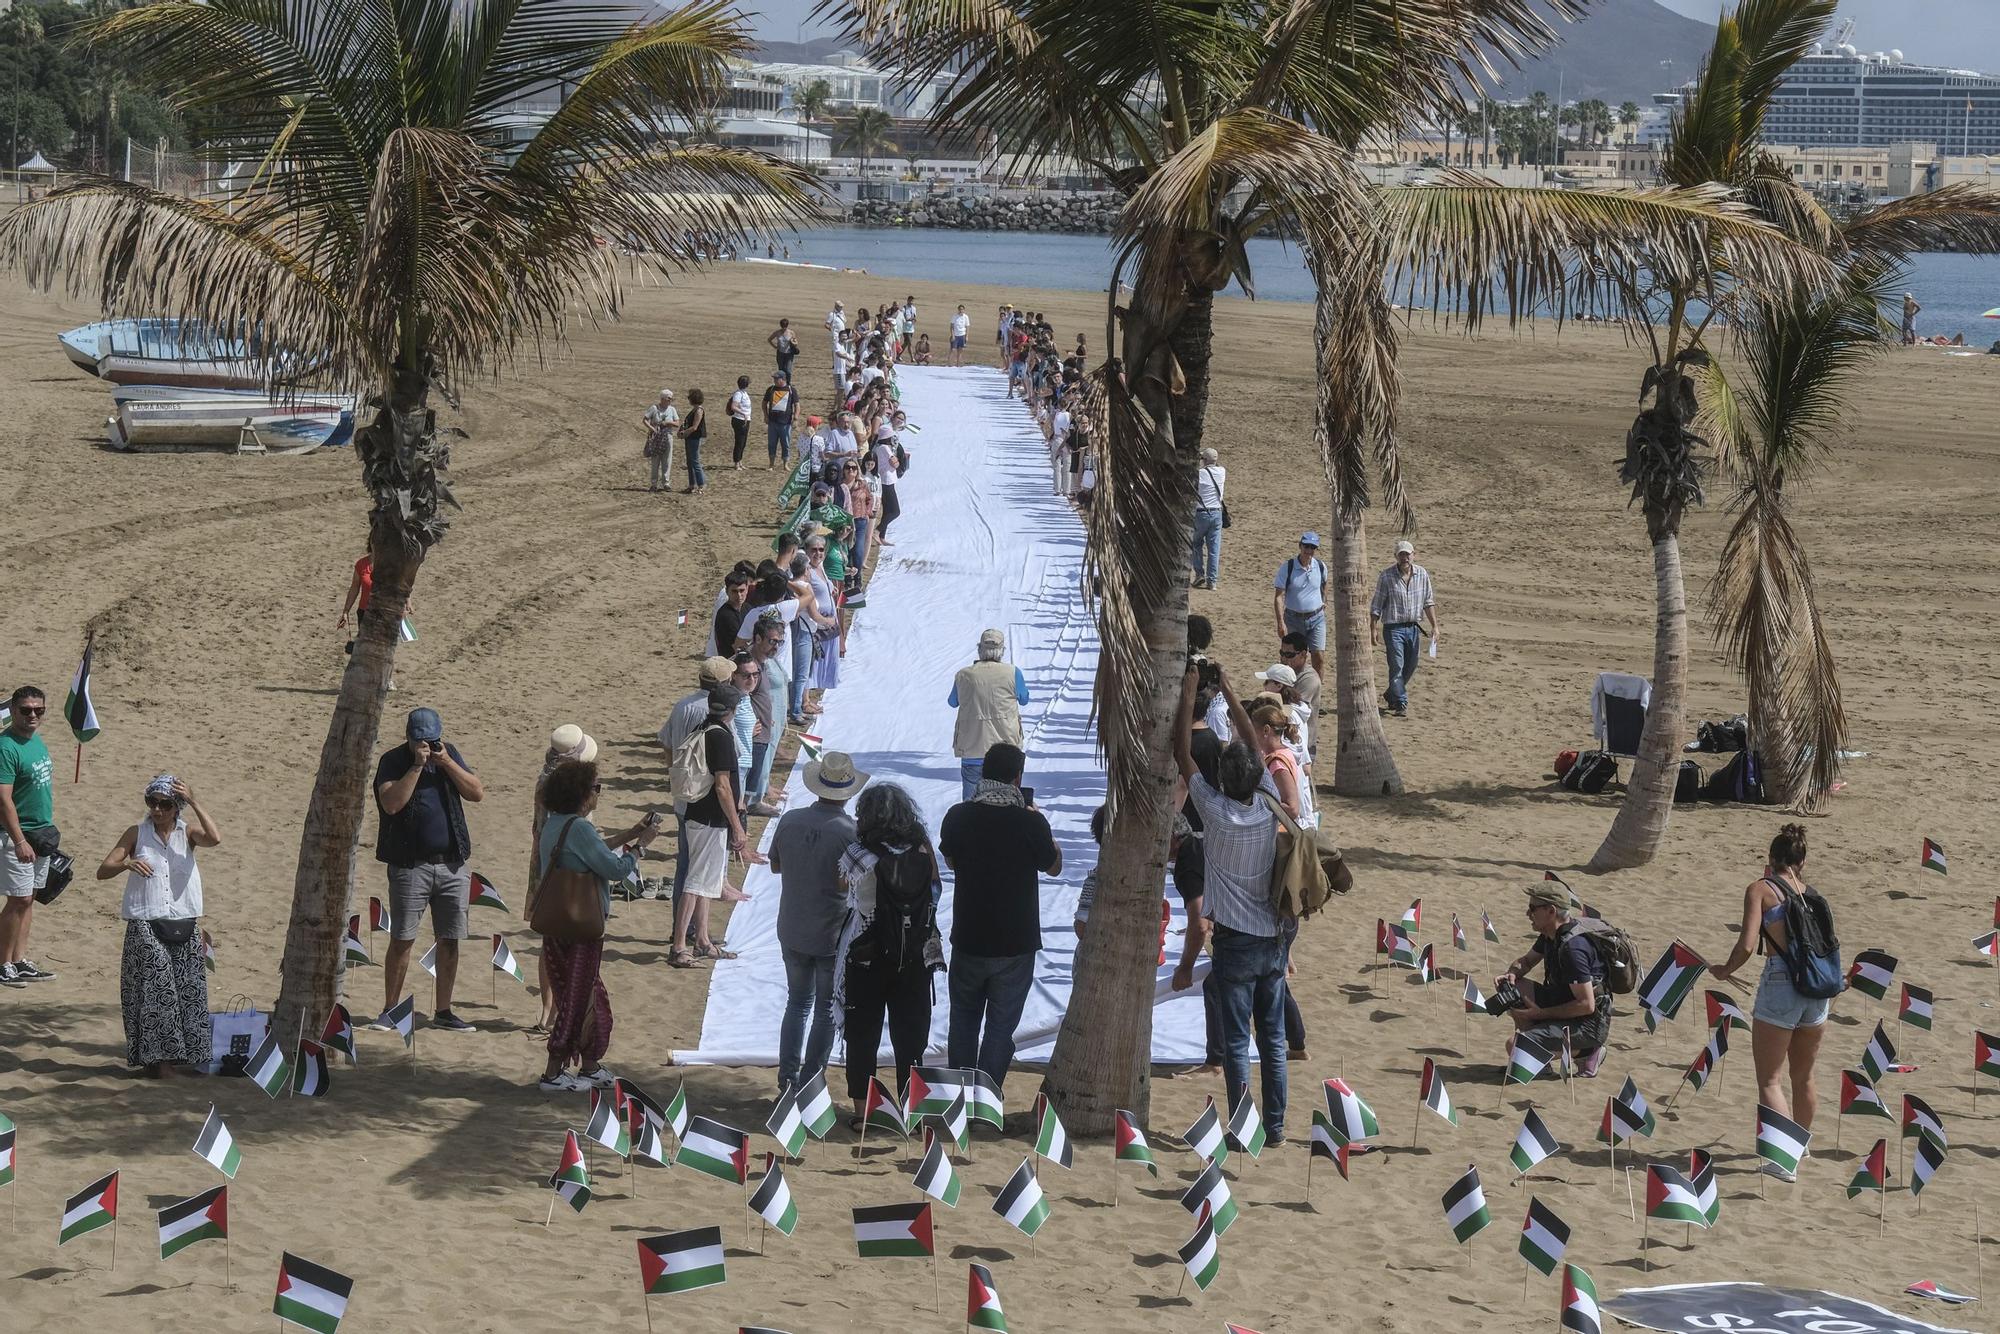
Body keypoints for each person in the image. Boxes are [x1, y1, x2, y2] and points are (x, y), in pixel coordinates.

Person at [1173, 661, 1287, 1143]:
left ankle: (1245, 1131)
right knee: (1274, 1041)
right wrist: (1230, 691)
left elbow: (1182, 753)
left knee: (1239, 1042)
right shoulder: (1265, 799)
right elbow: (1247, 738)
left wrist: (1190, 693)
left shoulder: (1214, 811)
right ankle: (1277, 1129)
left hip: (1236, 942)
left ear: (1222, 777)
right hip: (1274, 939)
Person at [1707, 823, 1829, 1178]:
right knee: (1803, 1075)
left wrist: (1725, 970)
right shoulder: (1813, 894)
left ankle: (1784, 1159)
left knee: (1769, 1080)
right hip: (1817, 988)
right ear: (1802, 861)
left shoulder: (1761, 889)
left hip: (1781, 983)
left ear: (1770, 860)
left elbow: (1746, 945)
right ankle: (1801, 1143)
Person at [534, 758, 662, 1092]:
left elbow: (592, 852)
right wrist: (641, 848)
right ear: (581, 793)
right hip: (580, 929)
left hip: (558, 924)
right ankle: (553, 1071)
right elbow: (615, 870)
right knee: (578, 998)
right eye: (596, 788)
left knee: (588, 996)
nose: (598, 793)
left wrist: (633, 833)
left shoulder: (556, 823)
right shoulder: (579, 828)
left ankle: (589, 1067)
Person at [939, 743, 1058, 1091]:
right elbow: (1053, 866)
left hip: (969, 936)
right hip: (1015, 941)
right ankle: (986, 1099)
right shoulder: (1030, 822)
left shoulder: (958, 816)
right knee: (1000, 1027)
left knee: (963, 1020)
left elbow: (951, 860)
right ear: (1018, 778)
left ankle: (958, 1094)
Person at [97, 774, 220, 1075]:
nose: (157, 809)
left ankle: (178, 1060)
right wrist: (126, 864)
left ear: (177, 807)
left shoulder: (187, 833)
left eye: (165, 804)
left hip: (183, 920)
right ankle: (159, 1064)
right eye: (152, 802)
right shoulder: (136, 833)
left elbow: (215, 838)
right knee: (157, 989)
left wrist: (194, 800)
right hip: (145, 921)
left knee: (187, 990)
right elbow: (103, 870)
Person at [372, 706, 485, 1031]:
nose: (428, 747)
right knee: (403, 939)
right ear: (409, 738)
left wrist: (447, 762)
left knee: (450, 940)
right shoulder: (393, 761)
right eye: (421, 742)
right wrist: (418, 767)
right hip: (410, 867)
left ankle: (444, 1011)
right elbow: (392, 803)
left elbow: (476, 792)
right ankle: (390, 1009)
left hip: (451, 865)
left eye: (432, 741)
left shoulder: (449, 755)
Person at [837, 781, 941, 1123]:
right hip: (914, 956)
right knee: (911, 1040)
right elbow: (935, 891)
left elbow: (843, 887)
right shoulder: (923, 849)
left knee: (862, 1036)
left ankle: (863, 1113)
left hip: (867, 955)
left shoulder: (859, 852)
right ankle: (912, 1113)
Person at [768, 752, 866, 1093]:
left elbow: (775, 865)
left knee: (797, 1003)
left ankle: (788, 1077)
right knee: (824, 1007)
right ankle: (811, 1077)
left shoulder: (791, 819)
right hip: (829, 930)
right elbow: (853, 882)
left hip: (793, 924)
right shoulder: (850, 832)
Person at [670, 684, 756, 968]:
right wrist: (737, 826)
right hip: (709, 819)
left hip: (697, 815)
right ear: (731, 711)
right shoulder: (721, 736)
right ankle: (679, 946)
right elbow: (723, 786)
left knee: (706, 882)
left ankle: (703, 940)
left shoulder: (704, 727)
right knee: (695, 883)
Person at [1495, 882, 1612, 1072]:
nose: (1527, 914)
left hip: (1588, 1024)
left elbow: (1586, 1005)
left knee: (1514, 1046)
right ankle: (1540, 1062)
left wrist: (1540, 1014)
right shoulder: (1551, 934)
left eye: (1532, 908)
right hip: (1562, 1002)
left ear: (1551, 911)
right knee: (1511, 990)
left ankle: (1587, 1052)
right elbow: (1526, 961)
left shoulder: (1573, 949)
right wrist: (1512, 974)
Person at [530, 725, 598, 1024]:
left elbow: (538, 828)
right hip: (569, 863)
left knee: (549, 940)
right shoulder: (567, 787)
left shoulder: (545, 779)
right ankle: (558, 1009)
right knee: (567, 941)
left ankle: (548, 1009)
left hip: (544, 860)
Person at [659, 657, 738, 908]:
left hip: (684, 794)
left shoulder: (682, 705)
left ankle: (680, 929)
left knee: (685, 864)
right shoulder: (717, 711)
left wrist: (675, 774)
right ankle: (690, 932)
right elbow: (729, 756)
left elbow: (667, 743)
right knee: (700, 873)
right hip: (707, 801)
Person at [0, 686, 57, 985]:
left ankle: (19, 960)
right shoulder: (5, 746)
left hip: (40, 834)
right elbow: (3, 799)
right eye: (26, 710)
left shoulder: (36, 742)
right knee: (18, 899)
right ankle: (2, 962)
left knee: (30, 898)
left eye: (39, 710)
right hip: (16, 837)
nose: (33, 715)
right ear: (13, 711)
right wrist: (19, 840)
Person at [948, 628, 1029, 800]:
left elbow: (952, 702)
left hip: (972, 749)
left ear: (980, 649)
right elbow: (1024, 699)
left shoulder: (963, 675)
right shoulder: (1013, 672)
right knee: (1008, 804)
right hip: (1006, 750)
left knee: (971, 805)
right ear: (1002, 651)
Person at [1369, 538, 1437, 718]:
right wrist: (1373, 628)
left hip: (1414, 628)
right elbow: (1377, 604)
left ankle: (1392, 693)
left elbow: (1428, 602)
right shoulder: (1386, 576)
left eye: (1407, 554)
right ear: (1396, 557)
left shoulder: (1422, 575)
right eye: (1401, 554)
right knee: (1397, 665)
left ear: (1414, 555)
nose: (1405, 557)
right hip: (1393, 628)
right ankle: (1400, 702)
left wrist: (1434, 626)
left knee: (1411, 665)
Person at [742, 614, 788, 816]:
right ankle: (751, 805)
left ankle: (761, 791)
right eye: (772, 641)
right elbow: (739, 697)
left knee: (764, 763)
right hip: (756, 729)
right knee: (748, 780)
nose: (776, 646)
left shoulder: (767, 661)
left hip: (770, 723)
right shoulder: (749, 666)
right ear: (758, 639)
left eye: (779, 642)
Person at [1272, 531, 1328, 681]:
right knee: (1293, 658)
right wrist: (1280, 622)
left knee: (1319, 656)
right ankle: (1293, 690)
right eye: (1306, 546)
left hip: (1317, 618)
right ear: (1300, 546)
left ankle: (1316, 691)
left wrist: (1324, 601)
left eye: (1312, 547)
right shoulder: (1288, 567)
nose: (1309, 551)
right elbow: (1278, 596)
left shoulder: (1321, 566)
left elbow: (1324, 585)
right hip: (1293, 619)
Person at [1277, 631, 1321, 762]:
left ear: (1303, 654)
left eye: (1289, 655)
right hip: (1285, 739)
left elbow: (1293, 710)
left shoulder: (1310, 679)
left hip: (1303, 743)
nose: (1284, 659)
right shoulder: (1283, 671)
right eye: (1282, 654)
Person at [1192, 447, 1225, 589]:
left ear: (1204, 460)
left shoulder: (1200, 474)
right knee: (1214, 548)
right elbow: (1215, 466)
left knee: (1196, 543)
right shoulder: (1222, 472)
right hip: (1217, 513)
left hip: (1201, 512)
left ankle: (1200, 574)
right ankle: (1212, 581)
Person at [640, 389, 678, 493]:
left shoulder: (672, 409)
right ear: (662, 399)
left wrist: (668, 422)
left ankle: (666, 483)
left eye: (671, 399)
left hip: (668, 436)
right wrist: (652, 429)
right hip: (656, 437)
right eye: (668, 399)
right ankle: (653, 484)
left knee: (667, 460)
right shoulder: (654, 408)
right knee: (655, 461)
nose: (670, 401)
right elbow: (645, 420)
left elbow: (677, 423)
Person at [762, 371, 796, 468]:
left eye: (777, 378)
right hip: (772, 422)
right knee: (771, 444)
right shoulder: (771, 389)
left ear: (783, 379)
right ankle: (771, 464)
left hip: (785, 423)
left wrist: (796, 418)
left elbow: (797, 405)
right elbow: (764, 403)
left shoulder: (791, 390)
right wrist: (766, 415)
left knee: (786, 444)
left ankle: (785, 464)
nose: (775, 380)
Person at [679, 387, 708, 493]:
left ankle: (701, 484)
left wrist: (683, 433)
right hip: (690, 438)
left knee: (695, 461)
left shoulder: (699, 410)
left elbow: (695, 427)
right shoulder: (694, 410)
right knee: (690, 462)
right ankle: (692, 485)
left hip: (695, 438)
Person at [727, 374, 754, 468]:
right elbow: (733, 407)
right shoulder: (738, 394)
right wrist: (743, 413)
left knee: (743, 442)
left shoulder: (744, 393)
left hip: (746, 420)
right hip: (739, 420)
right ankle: (736, 462)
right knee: (739, 441)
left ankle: (740, 461)